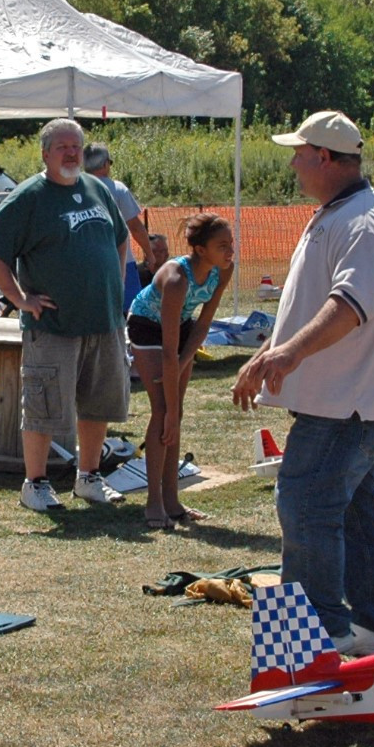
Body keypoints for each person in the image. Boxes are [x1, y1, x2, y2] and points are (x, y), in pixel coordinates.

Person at [230, 110, 374, 655]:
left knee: (307, 503)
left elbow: (348, 307)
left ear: (326, 158)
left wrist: (288, 353)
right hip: (349, 402)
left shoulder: (362, 223)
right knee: (358, 509)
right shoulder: (341, 214)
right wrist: (268, 352)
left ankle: (317, 636)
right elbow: (311, 304)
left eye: (299, 153)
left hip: (346, 405)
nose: (293, 163)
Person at [0, 118, 131, 513]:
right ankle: (35, 484)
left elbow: (120, 237)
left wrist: (115, 286)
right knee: (44, 407)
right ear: (45, 154)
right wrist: (19, 298)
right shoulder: (30, 196)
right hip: (53, 325)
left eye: (76, 146)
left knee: (98, 404)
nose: (71, 153)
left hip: (104, 321)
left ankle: (89, 478)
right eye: (62, 147)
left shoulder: (97, 188)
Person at [128, 213, 235, 529]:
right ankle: (154, 503)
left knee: (177, 413)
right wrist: (173, 396)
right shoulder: (176, 279)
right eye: (222, 246)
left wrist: (185, 362)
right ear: (200, 250)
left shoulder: (223, 270)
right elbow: (168, 351)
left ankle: (172, 502)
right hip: (147, 326)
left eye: (231, 243)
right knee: (164, 411)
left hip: (181, 326)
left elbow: (203, 324)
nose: (230, 251)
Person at [83, 143, 152, 306]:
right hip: (122, 262)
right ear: (105, 164)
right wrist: (149, 253)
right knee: (129, 309)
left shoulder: (75, 190)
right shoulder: (118, 189)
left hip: (87, 264)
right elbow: (135, 227)